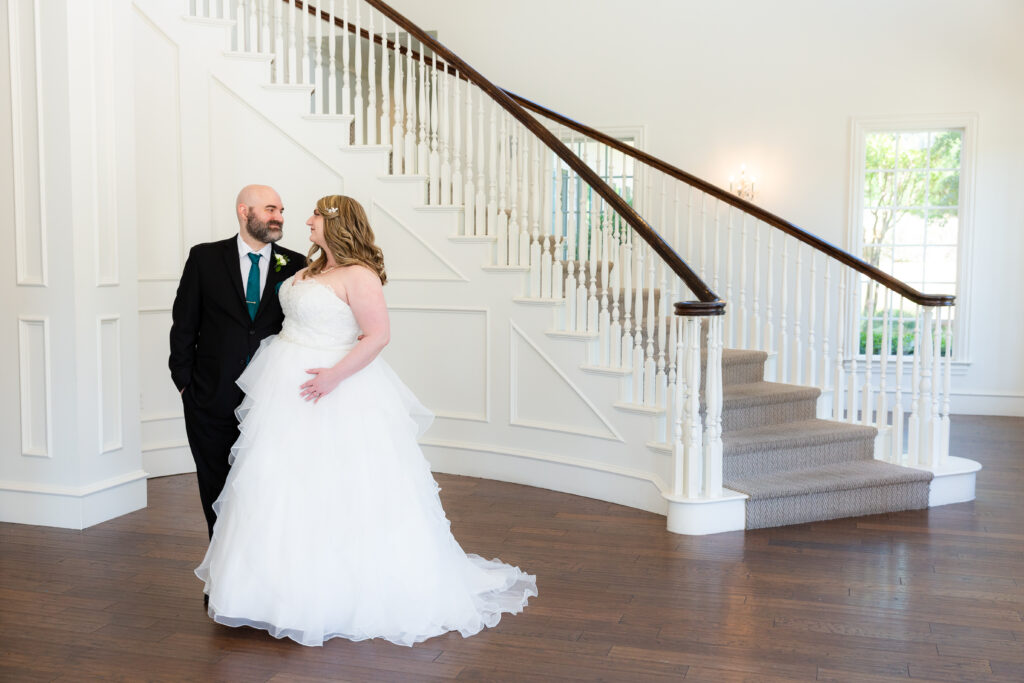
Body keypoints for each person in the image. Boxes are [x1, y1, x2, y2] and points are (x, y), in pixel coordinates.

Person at [193, 194, 537, 647]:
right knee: (279, 485)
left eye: (315, 214)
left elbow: (378, 335)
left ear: (334, 223)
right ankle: (270, 589)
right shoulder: (307, 270)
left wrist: (333, 376)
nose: (306, 220)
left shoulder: (360, 275)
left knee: (343, 486)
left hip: (335, 390)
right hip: (284, 391)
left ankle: (336, 591)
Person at [169, 185, 306, 541]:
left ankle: (259, 563)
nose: (279, 217)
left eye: (281, 210)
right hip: (209, 394)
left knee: (266, 483)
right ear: (244, 212)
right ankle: (221, 570)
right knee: (215, 482)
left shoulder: (296, 264)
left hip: (272, 398)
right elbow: (184, 323)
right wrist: (185, 382)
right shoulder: (204, 258)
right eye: (270, 209)